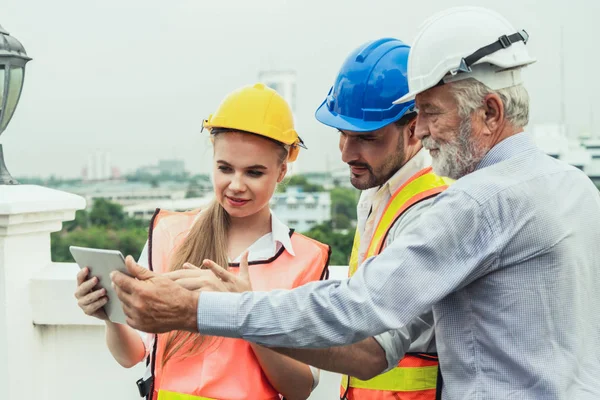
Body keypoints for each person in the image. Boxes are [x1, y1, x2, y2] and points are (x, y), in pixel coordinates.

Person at [112, 7, 600, 399]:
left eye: (430, 113)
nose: (423, 129)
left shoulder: (477, 203)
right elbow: (376, 347)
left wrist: (201, 308)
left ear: (490, 112)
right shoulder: (573, 187)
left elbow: (354, 309)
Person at [76, 83, 330, 400]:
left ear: (281, 171)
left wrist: (248, 311)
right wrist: (109, 316)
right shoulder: (169, 234)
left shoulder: (305, 259)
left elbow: (299, 388)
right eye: (225, 168)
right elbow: (133, 355)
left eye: (254, 172)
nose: (236, 185)